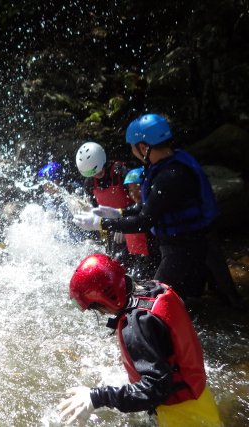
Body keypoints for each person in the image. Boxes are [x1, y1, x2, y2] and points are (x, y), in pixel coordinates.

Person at [73, 113, 243, 304]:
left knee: (150, 303)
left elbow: (145, 220)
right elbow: (149, 206)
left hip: (184, 251)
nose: (133, 152)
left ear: (143, 147)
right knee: (194, 303)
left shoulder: (169, 176)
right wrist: (118, 213)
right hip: (190, 246)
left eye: (133, 147)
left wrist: (102, 223)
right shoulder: (171, 164)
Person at [58, 253, 222, 426]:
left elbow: (156, 389)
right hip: (200, 400)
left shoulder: (137, 323)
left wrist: (98, 397)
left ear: (105, 299)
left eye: (97, 308)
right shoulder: (154, 289)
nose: (101, 313)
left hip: (182, 416)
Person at [76, 141, 133, 261]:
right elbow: (97, 212)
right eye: (93, 173)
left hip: (134, 224)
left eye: (99, 169)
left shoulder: (121, 171)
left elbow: (140, 202)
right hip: (113, 229)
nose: (97, 174)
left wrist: (125, 224)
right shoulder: (90, 184)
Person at [122, 167, 160, 279]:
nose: (133, 193)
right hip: (141, 257)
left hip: (155, 255)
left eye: (137, 188)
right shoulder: (132, 209)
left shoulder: (153, 206)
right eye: (130, 190)